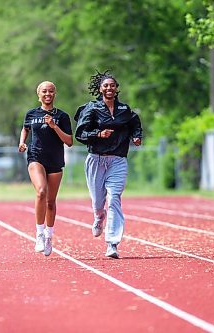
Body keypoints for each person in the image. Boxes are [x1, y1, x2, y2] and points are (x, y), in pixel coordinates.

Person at [74, 70, 142, 259]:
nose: (109, 88)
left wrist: (137, 136)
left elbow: (135, 123)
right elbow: (80, 134)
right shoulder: (91, 108)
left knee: (114, 199)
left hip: (118, 160)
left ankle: (112, 243)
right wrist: (97, 134)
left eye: (112, 85)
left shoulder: (124, 110)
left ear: (117, 88)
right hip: (96, 159)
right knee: (98, 201)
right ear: (100, 89)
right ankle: (98, 216)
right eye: (106, 85)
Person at [18, 81, 73, 256]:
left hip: (55, 160)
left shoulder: (62, 116)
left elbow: (69, 142)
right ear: (38, 94)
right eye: (44, 91)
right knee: (41, 191)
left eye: (51, 91)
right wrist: (22, 142)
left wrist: (54, 126)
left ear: (55, 94)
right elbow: (25, 128)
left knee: (50, 202)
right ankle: (39, 234)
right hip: (36, 156)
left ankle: (49, 235)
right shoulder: (31, 113)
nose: (47, 94)